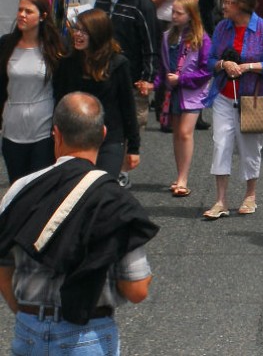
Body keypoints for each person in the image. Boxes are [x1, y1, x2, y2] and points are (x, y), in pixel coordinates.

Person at [0, 92, 158, 354]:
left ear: (56, 134)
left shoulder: (20, 190)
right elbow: (136, 289)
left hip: (28, 330)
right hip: (87, 334)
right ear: (103, 133)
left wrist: (28, 314)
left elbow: (3, 270)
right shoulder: (115, 200)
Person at [203, 0, 263, 219]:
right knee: (221, 144)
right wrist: (222, 64)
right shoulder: (221, 28)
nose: (223, 6)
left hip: (253, 97)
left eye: (228, 2)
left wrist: (248, 66)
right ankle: (220, 201)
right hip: (224, 95)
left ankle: (250, 196)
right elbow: (210, 60)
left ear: (242, 5)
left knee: (250, 148)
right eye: (223, 1)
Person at [95, 0, 161, 181]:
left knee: (131, 122)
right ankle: (106, 168)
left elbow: (151, 42)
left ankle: (120, 172)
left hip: (132, 77)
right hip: (102, 75)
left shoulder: (140, 2)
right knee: (104, 122)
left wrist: (148, 77)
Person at [54, 9, 140, 180]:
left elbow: (127, 106)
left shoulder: (117, 63)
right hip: (74, 138)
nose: (77, 35)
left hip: (109, 138)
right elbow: (59, 101)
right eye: (76, 29)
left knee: (102, 185)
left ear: (97, 33)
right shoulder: (67, 63)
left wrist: (133, 148)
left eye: (83, 31)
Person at [0, 0, 63, 184]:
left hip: (43, 127)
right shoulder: (6, 44)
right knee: (17, 185)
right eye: (20, 10)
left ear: (42, 16)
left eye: (28, 11)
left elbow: (63, 87)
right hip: (13, 126)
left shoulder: (54, 47)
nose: (22, 15)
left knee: (40, 186)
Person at [153, 0, 211, 198]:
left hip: (192, 92)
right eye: (173, 12)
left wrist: (183, 79)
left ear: (191, 15)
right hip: (174, 90)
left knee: (186, 133)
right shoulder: (168, 36)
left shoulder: (201, 38)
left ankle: (184, 178)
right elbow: (162, 67)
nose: (174, 16)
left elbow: (206, 70)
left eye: (179, 13)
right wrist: (157, 85)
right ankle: (180, 175)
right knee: (177, 133)